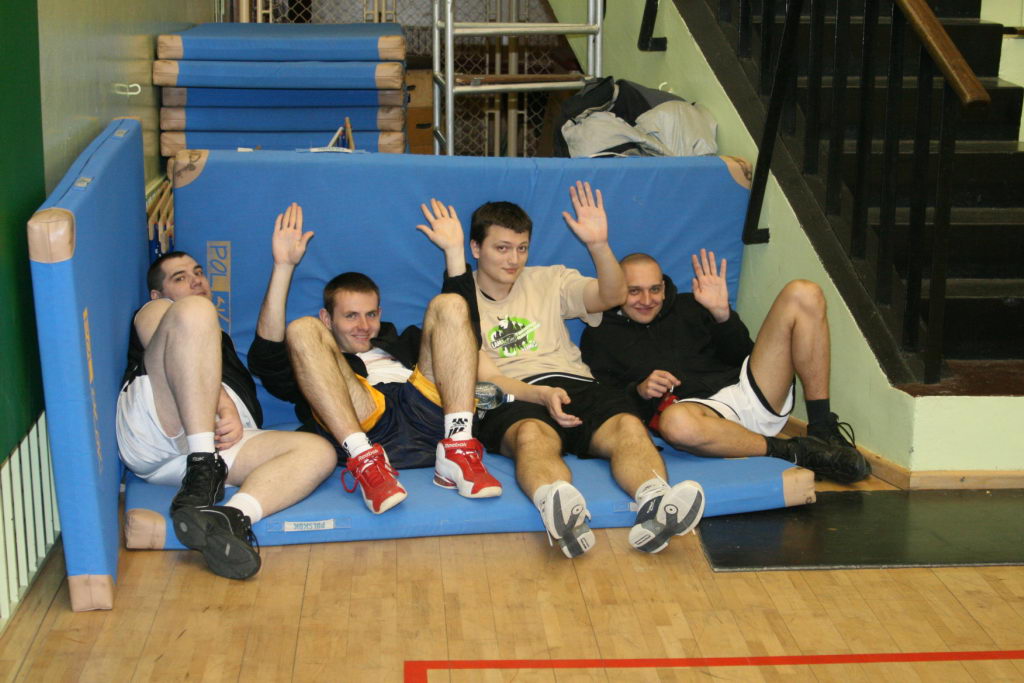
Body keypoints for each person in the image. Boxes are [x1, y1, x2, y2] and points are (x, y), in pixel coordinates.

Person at [418, 182, 704, 558]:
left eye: (521, 248)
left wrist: (598, 245)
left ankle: (656, 505)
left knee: (627, 426)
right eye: (502, 248)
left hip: (574, 383)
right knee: (532, 435)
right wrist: (541, 395)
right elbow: (483, 377)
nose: (513, 259)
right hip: (513, 392)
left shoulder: (551, 279)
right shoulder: (460, 300)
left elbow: (613, 296)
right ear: (476, 249)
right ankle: (560, 509)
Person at [247, 203, 501, 516]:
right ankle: (365, 461)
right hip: (365, 424)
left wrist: (453, 252)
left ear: (380, 313)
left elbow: (466, 338)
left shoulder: (406, 341)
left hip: (428, 414)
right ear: (328, 319)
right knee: (301, 328)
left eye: (370, 314)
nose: (363, 325)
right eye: (350, 316)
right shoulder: (314, 361)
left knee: (449, 304)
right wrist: (283, 267)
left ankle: (459, 447)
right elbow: (266, 361)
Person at [115, 250, 337, 580]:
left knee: (318, 452)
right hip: (160, 425)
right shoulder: (159, 309)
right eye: (180, 277)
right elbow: (155, 332)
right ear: (157, 293)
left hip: (219, 446)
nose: (195, 280)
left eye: (198, 272)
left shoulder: (220, 341)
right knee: (194, 311)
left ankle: (228, 519)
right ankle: (202, 466)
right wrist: (222, 403)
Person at [579, 250, 870, 483]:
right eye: (634, 291)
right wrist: (640, 392)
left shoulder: (691, 305)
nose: (647, 300)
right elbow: (608, 408)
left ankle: (822, 428)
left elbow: (742, 355)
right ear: (618, 289)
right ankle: (795, 451)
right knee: (676, 423)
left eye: (655, 289)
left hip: (748, 390)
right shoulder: (600, 334)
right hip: (699, 415)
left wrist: (722, 315)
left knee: (804, 291)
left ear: (664, 288)